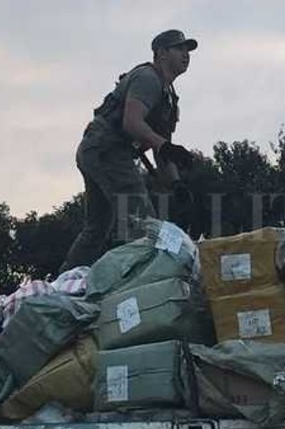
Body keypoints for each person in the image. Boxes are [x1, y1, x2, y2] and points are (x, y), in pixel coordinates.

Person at [61, 29, 197, 271]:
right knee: (142, 223)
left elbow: (161, 151)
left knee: (97, 227)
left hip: (101, 151)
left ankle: (62, 284)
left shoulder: (169, 98)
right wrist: (166, 147)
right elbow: (132, 122)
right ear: (162, 54)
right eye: (180, 48)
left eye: (188, 50)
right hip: (106, 150)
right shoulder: (147, 78)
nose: (186, 54)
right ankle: (141, 284)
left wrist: (177, 185)